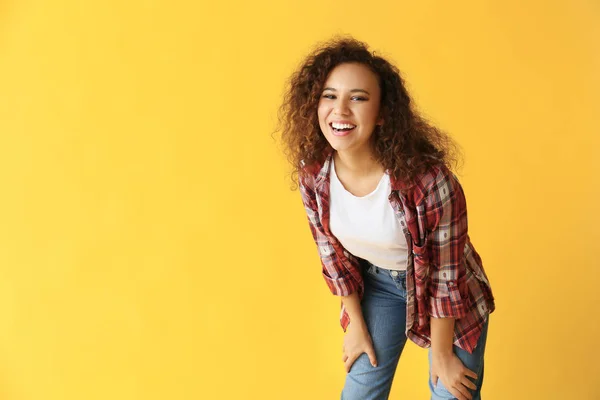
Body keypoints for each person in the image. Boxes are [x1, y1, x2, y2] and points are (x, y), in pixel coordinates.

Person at [277, 36, 495, 400]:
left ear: (381, 114)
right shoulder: (313, 175)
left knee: (451, 392)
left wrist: (441, 355)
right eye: (329, 96)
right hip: (379, 286)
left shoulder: (428, 181)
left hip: (449, 297)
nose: (340, 110)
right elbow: (330, 254)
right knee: (359, 392)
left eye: (358, 98)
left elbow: (445, 276)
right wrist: (355, 324)